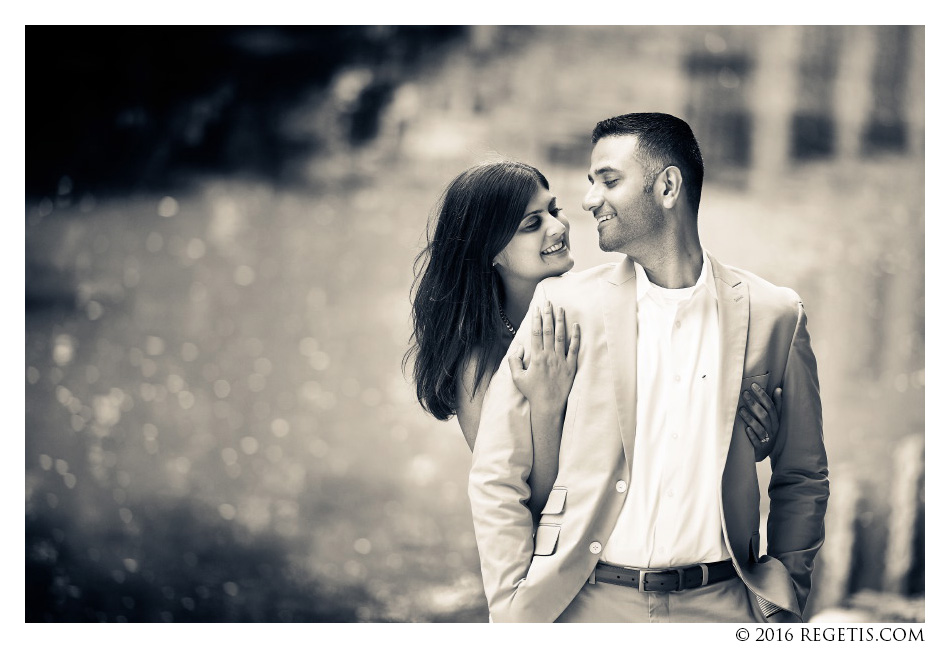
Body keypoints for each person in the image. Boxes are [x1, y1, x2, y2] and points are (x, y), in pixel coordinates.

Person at [468, 113, 829, 623]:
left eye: (608, 181)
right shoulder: (561, 306)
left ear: (667, 186)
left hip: (726, 607)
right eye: (591, 183)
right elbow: (498, 474)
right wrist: (512, 611)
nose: (590, 200)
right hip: (584, 607)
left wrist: (787, 594)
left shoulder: (776, 315)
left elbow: (802, 476)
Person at [407, 159, 782, 527]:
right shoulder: (480, 365)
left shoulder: (599, 309)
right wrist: (546, 404)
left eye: (554, 210)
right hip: (574, 564)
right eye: (532, 224)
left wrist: (752, 440)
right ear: (489, 252)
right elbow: (529, 507)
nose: (557, 227)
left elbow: (661, 436)